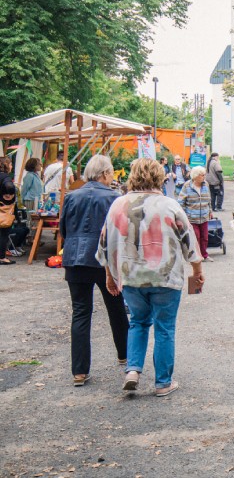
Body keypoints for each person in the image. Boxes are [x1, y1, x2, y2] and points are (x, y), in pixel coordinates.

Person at [97, 158, 205, 396]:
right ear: (160, 176)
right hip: (166, 278)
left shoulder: (118, 205)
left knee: (137, 322)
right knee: (165, 328)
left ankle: (133, 370)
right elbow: (190, 241)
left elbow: (105, 244)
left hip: (131, 277)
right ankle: (163, 383)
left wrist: (109, 275)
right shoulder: (169, 205)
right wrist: (197, 272)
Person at [60, 155, 128, 387]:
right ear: (105, 174)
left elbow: (64, 228)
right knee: (116, 306)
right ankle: (125, 354)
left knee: (80, 312)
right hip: (103, 259)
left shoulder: (72, 196)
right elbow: (119, 231)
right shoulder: (113, 197)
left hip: (74, 257)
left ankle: (79, 371)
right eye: (110, 173)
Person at [179, 166, 214, 262]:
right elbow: (181, 202)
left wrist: (210, 211)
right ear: (195, 176)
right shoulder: (187, 186)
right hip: (192, 217)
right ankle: (197, 257)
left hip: (204, 216)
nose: (204, 177)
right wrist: (184, 215)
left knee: (205, 237)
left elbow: (209, 200)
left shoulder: (206, 185)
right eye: (202, 175)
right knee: (196, 237)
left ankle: (204, 255)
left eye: (204, 175)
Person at [0, 157, 17, 265]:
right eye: (10, 164)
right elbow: (9, 186)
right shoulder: (5, 177)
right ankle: (1, 257)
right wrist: (9, 195)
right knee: (3, 233)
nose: (11, 166)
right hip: (3, 210)